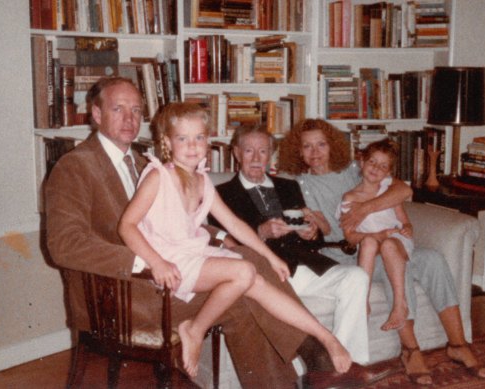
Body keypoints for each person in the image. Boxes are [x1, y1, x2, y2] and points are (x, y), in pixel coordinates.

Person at [44, 77, 333, 389]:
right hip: (121, 295)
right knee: (242, 290)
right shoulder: (73, 166)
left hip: (171, 278)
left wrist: (223, 239)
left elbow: (177, 220)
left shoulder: (144, 162)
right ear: (96, 114)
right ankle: (311, 352)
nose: (130, 118)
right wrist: (148, 262)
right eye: (118, 109)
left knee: (245, 262)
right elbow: (65, 246)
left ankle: (307, 355)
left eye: (136, 110)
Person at [117, 102, 352, 378]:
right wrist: (156, 263)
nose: (192, 146)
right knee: (244, 271)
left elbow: (235, 225)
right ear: (167, 142)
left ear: (208, 141)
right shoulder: (159, 176)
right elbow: (127, 225)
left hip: (194, 254)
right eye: (183, 138)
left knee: (260, 281)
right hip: (170, 261)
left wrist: (272, 257)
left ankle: (327, 338)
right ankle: (195, 329)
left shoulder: (202, 180)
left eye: (199, 138)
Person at [278, 118, 485, 385]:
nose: (315, 152)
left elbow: (402, 189)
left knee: (433, 259)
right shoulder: (297, 184)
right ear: (298, 151)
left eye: (321, 144)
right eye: (307, 146)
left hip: (380, 241)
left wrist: (365, 208)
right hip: (347, 254)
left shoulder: (352, 171)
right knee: (394, 264)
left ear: (332, 146)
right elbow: (311, 225)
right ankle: (411, 350)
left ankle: (458, 344)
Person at [212, 124, 371, 366]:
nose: (256, 158)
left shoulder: (289, 186)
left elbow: (312, 234)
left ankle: (349, 364)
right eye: (249, 151)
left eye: (263, 151)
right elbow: (223, 240)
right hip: (266, 273)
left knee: (357, 277)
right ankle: (332, 364)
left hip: (302, 266)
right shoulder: (220, 193)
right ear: (236, 153)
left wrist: (312, 232)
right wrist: (261, 232)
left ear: (270, 154)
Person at [340, 139, 414, 332]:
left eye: (383, 166)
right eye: (372, 162)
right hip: (374, 242)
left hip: (396, 242)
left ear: (388, 173)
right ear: (362, 162)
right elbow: (350, 236)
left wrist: (407, 228)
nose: (375, 168)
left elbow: (405, 221)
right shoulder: (350, 198)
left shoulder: (388, 192)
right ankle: (363, 301)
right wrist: (377, 234)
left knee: (388, 244)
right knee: (369, 241)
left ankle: (400, 305)